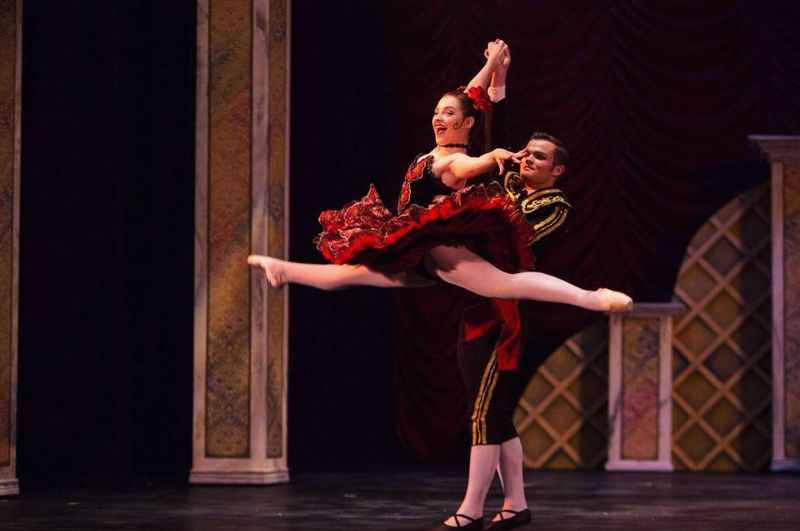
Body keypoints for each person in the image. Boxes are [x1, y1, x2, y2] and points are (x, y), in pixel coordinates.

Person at [248, 41, 631, 530]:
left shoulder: (531, 195)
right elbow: (473, 102)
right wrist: (494, 68)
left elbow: (472, 164)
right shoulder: (459, 152)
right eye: (437, 111)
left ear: (557, 170)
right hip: (442, 269)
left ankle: (472, 509)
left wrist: (493, 155)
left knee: (494, 363)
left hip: (491, 301)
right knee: (355, 275)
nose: (527, 161)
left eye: (538, 158)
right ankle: (515, 503)